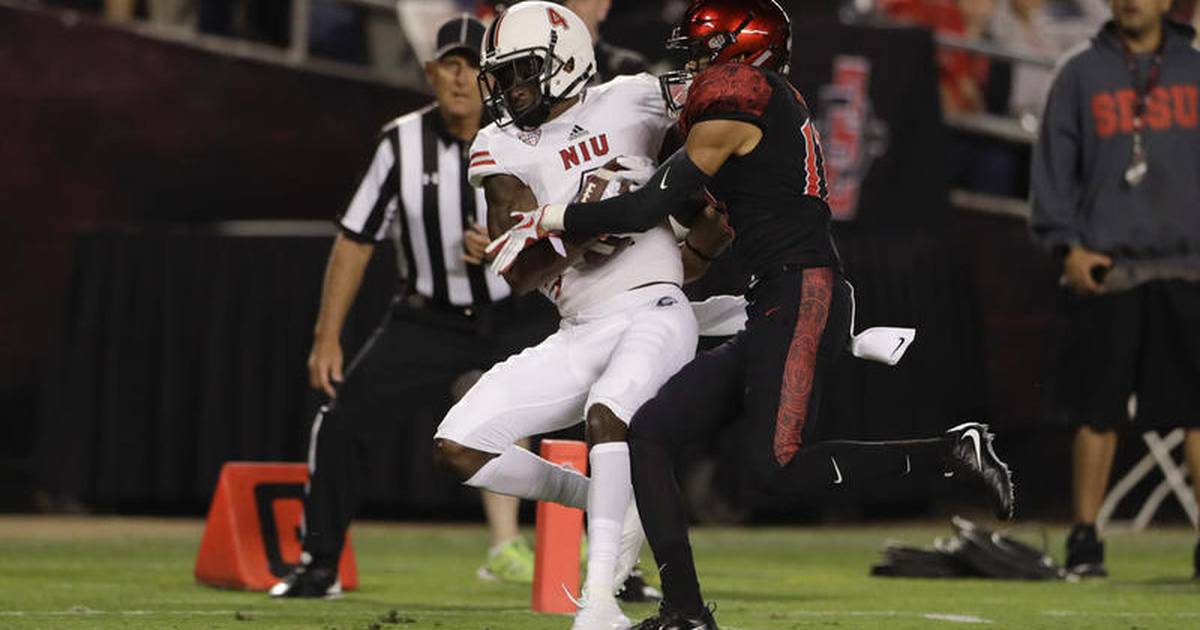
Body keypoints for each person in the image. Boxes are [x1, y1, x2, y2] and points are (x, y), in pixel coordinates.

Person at [486, 1, 1015, 627]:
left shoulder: (749, 95)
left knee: (776, 471)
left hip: (801, 290)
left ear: (744, 52)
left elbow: (642, 207)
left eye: (707, 52)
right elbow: (701, 224)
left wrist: (553, 217)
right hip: (774, 297)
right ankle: (685, 611)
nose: (696, 66)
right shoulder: (755, 103)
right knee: (650, 435)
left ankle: (951, 452)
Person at [431, 3, 729, 628]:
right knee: (459, 445)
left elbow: (731, 120)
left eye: (524, 72)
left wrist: (695, 229)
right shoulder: (499, 142)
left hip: (655, 308)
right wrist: (590, 221)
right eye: (504, 76)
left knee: (607, 416)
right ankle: (607, 500)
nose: (511, 89)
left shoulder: (637, 98)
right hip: (578, 328)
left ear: (567, 62)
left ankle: (597, 603)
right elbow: (515, 263)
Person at [270, 14, 558, 598]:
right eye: (451, 65)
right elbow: (355, 238)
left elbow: (568, 224)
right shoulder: (400, 141)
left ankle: (619, 569)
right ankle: (319, 562)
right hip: (430, 319)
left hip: (517, 316)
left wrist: (510, 242)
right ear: (430, 73)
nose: (462, 79)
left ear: (495, 77)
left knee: (606, 413)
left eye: (476, 67)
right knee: (342, 418)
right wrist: (328, 336)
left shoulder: (528, 136)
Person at [1029, 0, 1200, 578]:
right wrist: (1065, 244)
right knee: (1096, 410)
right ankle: (1085, 537)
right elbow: (1053, 167)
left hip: (1189, 267)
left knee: (1199, 414)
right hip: (1110, 266)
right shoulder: (1079, 73)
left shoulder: (1196, 70)